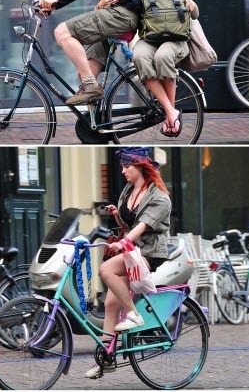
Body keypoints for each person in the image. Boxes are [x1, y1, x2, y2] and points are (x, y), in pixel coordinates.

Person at [96, 0, 199, 136]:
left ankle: (170, 113)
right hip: (149, 38)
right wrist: (100, 6)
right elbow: (113, 15)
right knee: (139, 56)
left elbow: (195, 13)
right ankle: (170, 112)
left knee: (163, 57)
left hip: (175, 38)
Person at [86, 147, 170, 379]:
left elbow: (142, 227)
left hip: (149, 252)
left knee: (105, 269)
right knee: (111, 305)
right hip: (132, 249)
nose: (123, 171)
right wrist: (116, 214)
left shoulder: (160, 198)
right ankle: (107, 360)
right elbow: (129, 224)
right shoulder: (128, 190)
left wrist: (122, 243)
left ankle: (134, 314)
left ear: (141, 167)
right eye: (123, 166)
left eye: (127, 166)